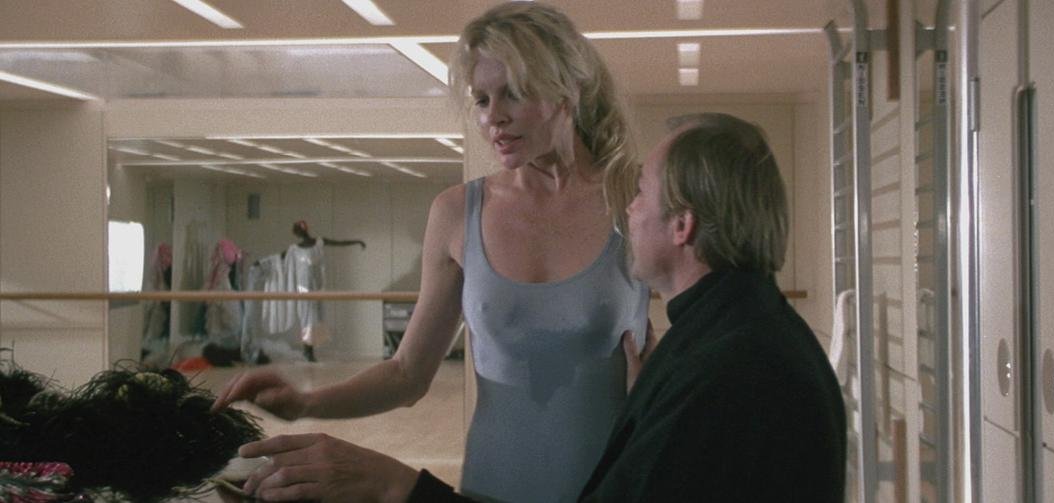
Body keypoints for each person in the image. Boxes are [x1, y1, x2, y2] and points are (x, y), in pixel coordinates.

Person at [227, 113, 848, 503]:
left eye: (640, 193)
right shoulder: (727, 337)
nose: (628, 209)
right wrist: (649, 400)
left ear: (682, 226)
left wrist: (392, 485)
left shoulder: (729, 369)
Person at [212, 3, 649, 502]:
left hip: (616, 483)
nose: (493, 116)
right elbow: (407, 374)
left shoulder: (635, 198)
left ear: (568, 89)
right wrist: (305, 402)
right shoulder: (457, 212)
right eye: (481, 99)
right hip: (491, 485)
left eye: (514, 93)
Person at [285, 220, 366, 362]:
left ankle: (309, 348)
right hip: (303, 288)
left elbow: (339, 243)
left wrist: (357, 242)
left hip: (317, 286)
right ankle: (307, 350)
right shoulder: (294, 249)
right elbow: (284, 260)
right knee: (307, 318)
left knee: (316, 318)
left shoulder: (319, 242)